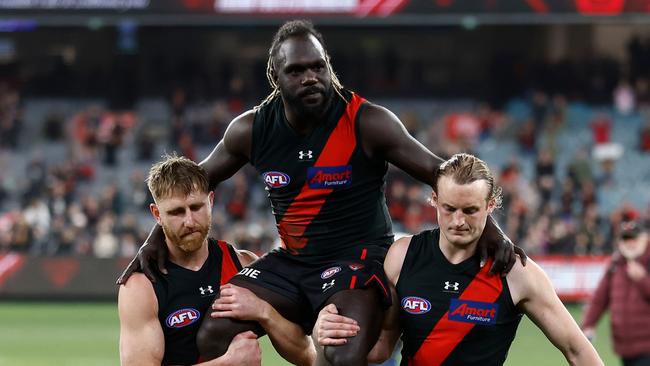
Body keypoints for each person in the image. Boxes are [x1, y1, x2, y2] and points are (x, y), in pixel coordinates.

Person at [117, 20, 524, 366]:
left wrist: (492, 230)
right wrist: (154, 239)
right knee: (216, 331)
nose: (311, 77)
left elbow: (442, 174)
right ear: (276, 78)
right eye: (297, 70)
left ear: (329, 67)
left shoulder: (368, 122)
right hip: (293, 263)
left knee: (342, 352)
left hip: (359, 260)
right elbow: (191, 184)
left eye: (319, 66)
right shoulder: (251, 130)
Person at [315, 153, 603, 366]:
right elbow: (379, 350)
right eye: (449, 208)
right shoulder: (402, 256)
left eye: (470, 210)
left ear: (491, 206)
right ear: (434, 200)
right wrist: (325, 328)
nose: (458, 222)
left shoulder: (517, 273)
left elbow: (578, 350)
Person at [118, 154, 315, 365]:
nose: (189, 221)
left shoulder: (243, 264)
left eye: (196, 207)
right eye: (176, 212)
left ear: (211, 201)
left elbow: (307, 355)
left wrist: (263, 312)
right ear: (157, 214)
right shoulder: (142, 287)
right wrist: (227, 363)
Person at [582, 219, 650, 366]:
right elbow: (600, 299)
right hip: (625, 348)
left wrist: (643, 280)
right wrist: (588, 325)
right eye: (626, 238)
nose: (630, 243)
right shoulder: (616, 264)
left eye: (634, 238)